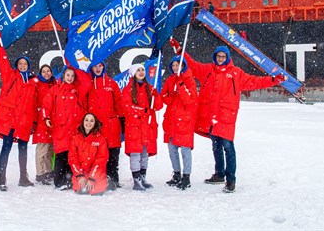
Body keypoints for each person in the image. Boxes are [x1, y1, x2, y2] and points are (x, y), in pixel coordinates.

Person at [171, 39, 285, 193]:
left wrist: (273, 80)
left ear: (228, 58)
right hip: (212, 116)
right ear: (214, 57)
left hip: (225, 116)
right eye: (218, 56)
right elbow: (191, 64)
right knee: (216, 146)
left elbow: (255, 81)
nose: (220, 59)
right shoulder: (207, 70)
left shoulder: (236, 73)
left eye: (223, 57)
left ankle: (230, 180)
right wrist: (179, 50)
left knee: (228, 147)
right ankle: (219, 174)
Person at [0, 31, 38, 191]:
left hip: (24, 121)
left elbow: (36, 102)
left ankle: (23, 177)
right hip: (10, 120)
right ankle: (1, 179)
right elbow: (2, 59)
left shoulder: (33, 82)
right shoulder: (10, 76)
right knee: (6, 147)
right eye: (20, 64)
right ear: (17, 66)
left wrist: (34, 121)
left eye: (25, 64)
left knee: (23, 149)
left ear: (29, 66)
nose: (23, 66)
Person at [75, 62, 123, 188]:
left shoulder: (111, 83)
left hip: (111, 125)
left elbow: (119, 102)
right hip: (95, 126)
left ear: (104, 67)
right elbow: (83, 104)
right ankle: (97, 179)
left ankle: (113, 179)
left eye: (100, 66)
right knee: (96, 155)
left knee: (113, 155)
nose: (97, 68)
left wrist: (122, 119)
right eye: (95, 66)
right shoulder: (88, 83)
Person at [43, 67, 88, 190]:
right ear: (63, 76)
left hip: (74, 129)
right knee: (60, 156)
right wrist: (46, 118)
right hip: (60, 129)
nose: (70, 78)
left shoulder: (77, 90)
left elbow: (87, 83)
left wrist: (74, 67)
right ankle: (59, 182)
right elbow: (46, 105)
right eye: (68, 75)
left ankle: (69, 180)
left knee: (72, 156)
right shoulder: (55, 90)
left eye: (72, 76)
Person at [121, 64, 162, 191]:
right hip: (134, 127)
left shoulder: (150, 89)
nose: (141, 72)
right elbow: (127, 107)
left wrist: (156, 95)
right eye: (138, 70)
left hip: (147, 127)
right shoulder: (127, 89)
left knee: (144, 154)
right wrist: (142, 111)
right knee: (135, 154)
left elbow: (158, 106)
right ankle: (136, 179)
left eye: (143, 70)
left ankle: (143, 177)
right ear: (133, 73)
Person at [160, 55, 198, 190]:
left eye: (178, 65)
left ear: (183, 66)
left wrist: (181, 86)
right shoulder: (170, 80)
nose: (175, 68)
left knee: (185, 150)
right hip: (171, 120)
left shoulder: (189, 80)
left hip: (184, 121)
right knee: (172, 149)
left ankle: (186, 177)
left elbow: (190, 100)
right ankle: (176, 174)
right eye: (173, 65)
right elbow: (164, 97)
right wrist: (172, 96)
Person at [68, 113, 109, 195]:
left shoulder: (101, 139)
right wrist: (79, 175)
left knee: (96, 192)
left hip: (96, 174)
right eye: (86, 120)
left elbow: (101, 161)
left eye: (91, 121)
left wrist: (92, 178)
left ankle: (108, 181)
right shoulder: (76, 139)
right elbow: (72, 159)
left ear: (95, 123)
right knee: (81, 191)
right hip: (81, 173)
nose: (88, 123)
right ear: (83, 122)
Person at [33, 64, 57, 185]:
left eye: (48, 71)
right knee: (42, 149)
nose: (46, 73)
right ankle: (40, 173)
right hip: (42, 120)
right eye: (44, 71)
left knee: (50, 150)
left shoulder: (55, 84)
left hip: (53, 121)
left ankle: (49, 171)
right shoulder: (37, 84)